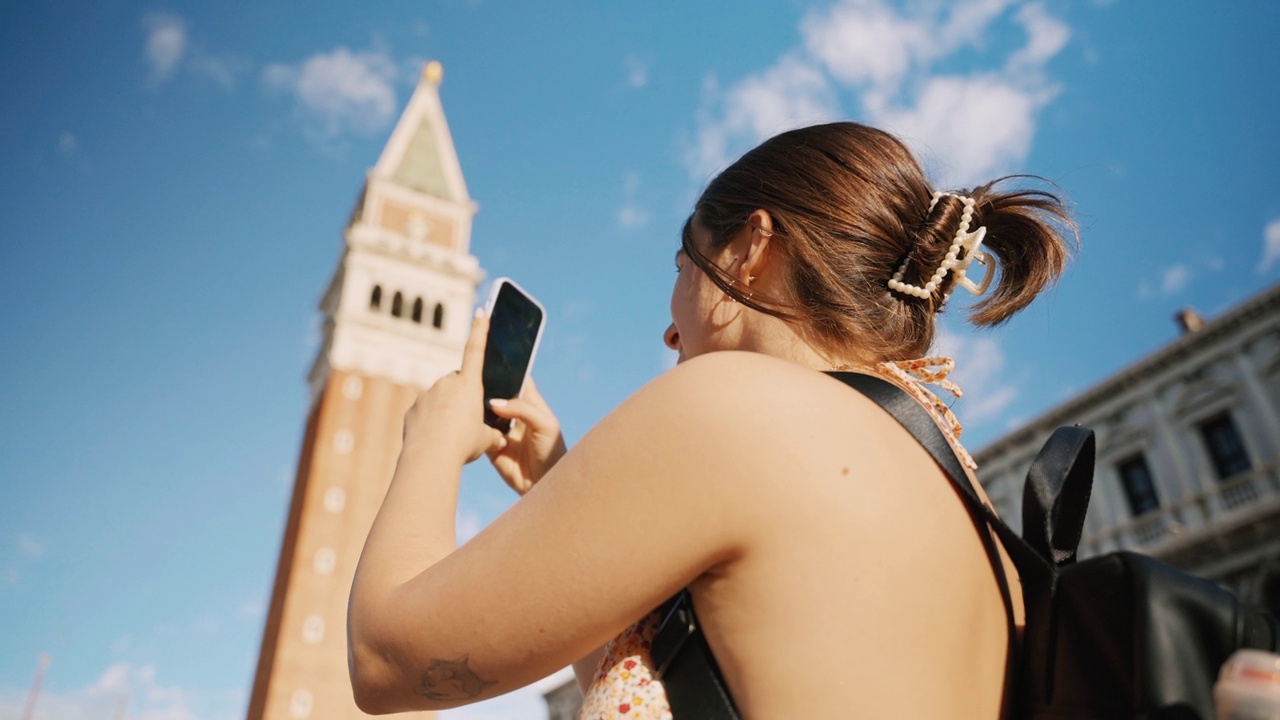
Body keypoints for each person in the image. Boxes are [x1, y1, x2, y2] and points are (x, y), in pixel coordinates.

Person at [347, 121, 1074, 718]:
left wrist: (432, 442)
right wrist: (553, 485)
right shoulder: (962, 496)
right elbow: (696, 691)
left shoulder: (739, 402)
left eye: (682, 263)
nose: (670, 331)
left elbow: (387, 662)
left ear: (751, 249)